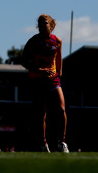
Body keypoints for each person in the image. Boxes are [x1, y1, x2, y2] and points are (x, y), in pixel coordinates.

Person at [22, 14, 69, 153]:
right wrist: (39, 70)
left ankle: (62, 142)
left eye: (45, 24)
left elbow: (59, 61)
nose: (42, 27)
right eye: (40, 24)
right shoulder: (33, 42)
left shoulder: (57, 41)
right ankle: (43, 144)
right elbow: (24, 61)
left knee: (61, 109)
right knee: (42, 113)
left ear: (51, 25)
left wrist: (57, 75)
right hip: (37, 79)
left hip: (53, 80)